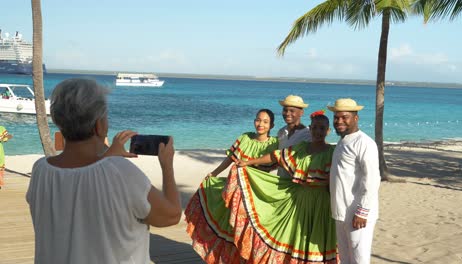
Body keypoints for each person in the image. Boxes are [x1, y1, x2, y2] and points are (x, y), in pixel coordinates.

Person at [26, 78, 182, 264]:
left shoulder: (41, 170)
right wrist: (167, 166)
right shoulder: (121, 172)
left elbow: (81, 179)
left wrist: (108, 156)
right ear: (99, 125)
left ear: (59, 122)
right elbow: (171, 215)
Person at [234, 110, 338, 263]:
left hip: (322, 203)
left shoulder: (332, 152)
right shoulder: (302, 147)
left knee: (316, 240)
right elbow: (276, 155)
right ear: (310, 128)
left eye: (322, 128)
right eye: (315, 127)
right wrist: (249, 162)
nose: (318, 131)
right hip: (300, 200)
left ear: (328, 131)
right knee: (298, 237)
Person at [185, 109, 279, 263]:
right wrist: (215, 172)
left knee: (251, 230)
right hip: (236, 191)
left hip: (257, 194)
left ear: (271, 125)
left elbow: (279, 165)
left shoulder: (274, 143)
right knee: (232, 227)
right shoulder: (245, 138)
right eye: (258, 120)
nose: (260, 124)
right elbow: (230, 159)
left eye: (265, 121)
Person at [327, 98, 380, 264]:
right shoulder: (342, 142)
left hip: (357, 213)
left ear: (355, 118)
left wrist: (362, 212)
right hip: (341, 211)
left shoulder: (364, 143)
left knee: (359, 259)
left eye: (344, 117)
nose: (339, 121)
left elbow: (372, 179)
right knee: (345, 258)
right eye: (336, 117)